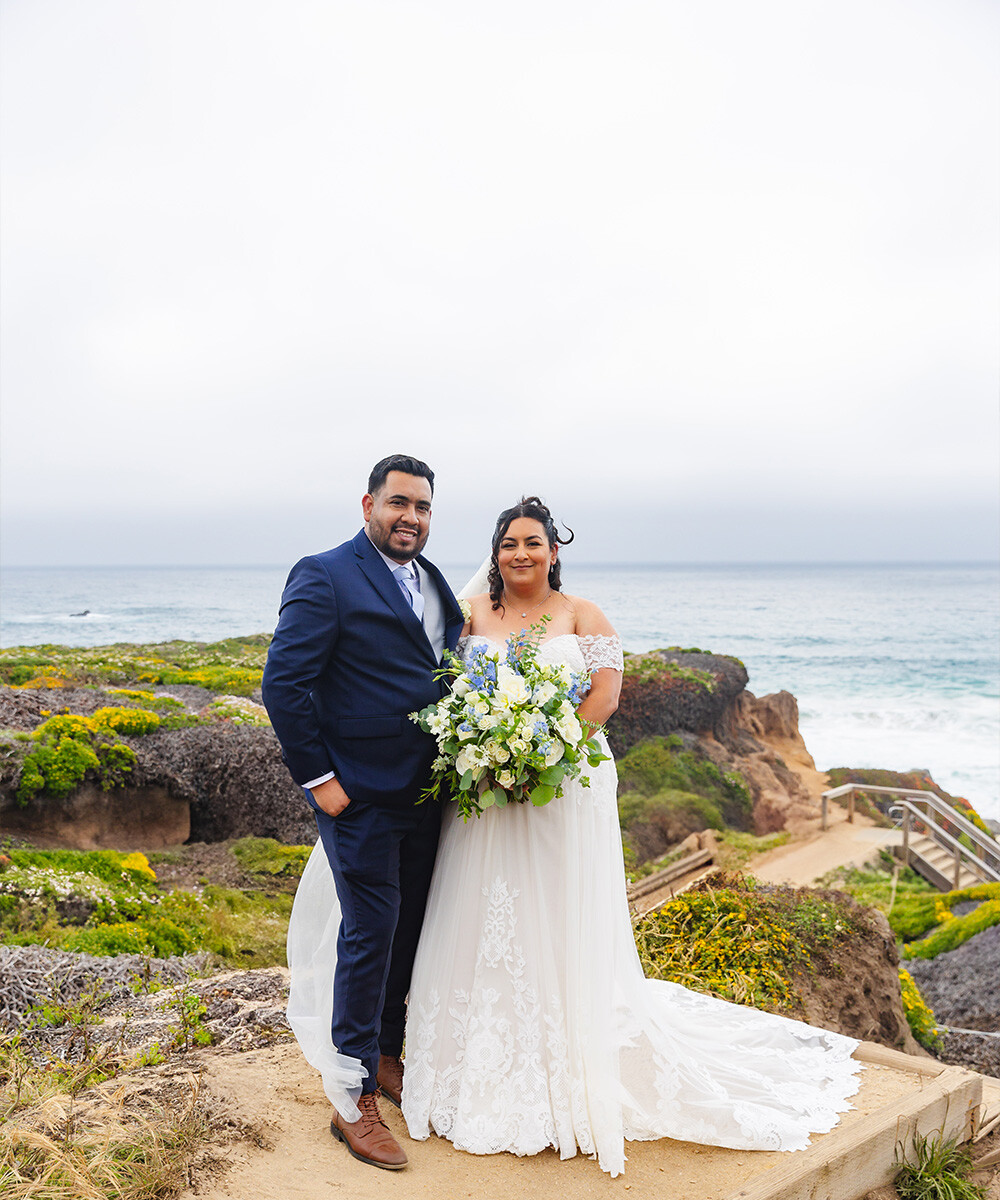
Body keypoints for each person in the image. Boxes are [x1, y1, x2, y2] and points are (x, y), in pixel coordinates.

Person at [286, 496, 864, 1178]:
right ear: (495, 554)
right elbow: (422, 685)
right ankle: (436, 1061)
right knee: (474, 914)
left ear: (554, 551)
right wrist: (486, 754)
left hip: (562, 787)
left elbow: (604, 699)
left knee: (553, 915)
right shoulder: (466, 615)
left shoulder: (584, 615)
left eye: (533, 542)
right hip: (484, 794)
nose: (520, 554)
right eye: (509, 544)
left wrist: (540, 759)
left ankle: (558, 1054)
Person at [262, 454, 465, 1171]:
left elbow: (439, 669)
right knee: (370, 931)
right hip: (358, 797)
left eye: (424, 507)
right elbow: (283, 684)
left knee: (407, 927)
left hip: (427, 792)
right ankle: (351, 1098)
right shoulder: (324, 574)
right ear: (368, 504)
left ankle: (383, 1052)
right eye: (399, 503)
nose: (411, 517)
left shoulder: (435, 581)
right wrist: (321, 781)